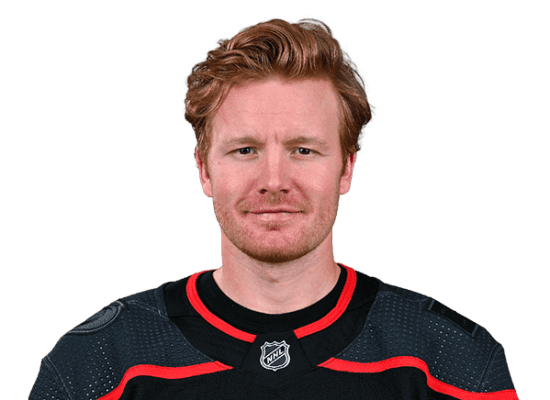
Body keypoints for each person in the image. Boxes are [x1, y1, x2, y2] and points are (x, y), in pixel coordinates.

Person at [29, 17, 519, 400]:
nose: (274, 181)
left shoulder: (451, 362)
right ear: (204, 169)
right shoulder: (99, 363)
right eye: (245, 150)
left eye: (303, 150)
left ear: (346, 168)